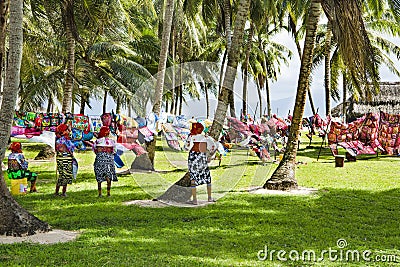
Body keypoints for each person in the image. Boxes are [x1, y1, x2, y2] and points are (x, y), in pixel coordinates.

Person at [185, 122, 217, 205]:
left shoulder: (191, 136)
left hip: (193, 156)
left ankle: (195, 199)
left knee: (193, 177)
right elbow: (213, 146)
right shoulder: (206, 137)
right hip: (202, 156)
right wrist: (210, 155)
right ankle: (209, 197)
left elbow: (186, 147)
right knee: (207, 175)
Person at [93, 126, 117, 197]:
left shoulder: (97, 141)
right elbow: (114, 151)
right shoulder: (112, 142)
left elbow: (94, 150)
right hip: (109, 160)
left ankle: (100, 193)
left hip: (99, 160)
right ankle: (108, 193)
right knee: (108, 176)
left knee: (99, 177)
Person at [54, 124, 75, 197]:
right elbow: (70, 149)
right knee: (66, 175)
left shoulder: (57, 140)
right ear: (63, 131)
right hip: (66, 158)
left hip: (59, 158)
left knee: (61, 175)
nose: (69, 131)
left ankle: (56, 191)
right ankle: (63, 192)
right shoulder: (66, 140)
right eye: (67, 130)